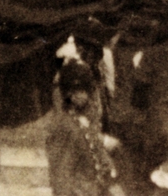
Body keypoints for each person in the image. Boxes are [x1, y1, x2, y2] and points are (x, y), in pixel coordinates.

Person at [44, 61, 118, 196]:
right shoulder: (65, 127)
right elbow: (61, 177)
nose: (86, 96)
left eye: (86, 90)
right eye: (80, 91)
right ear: (69, 94)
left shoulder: (81, 120)